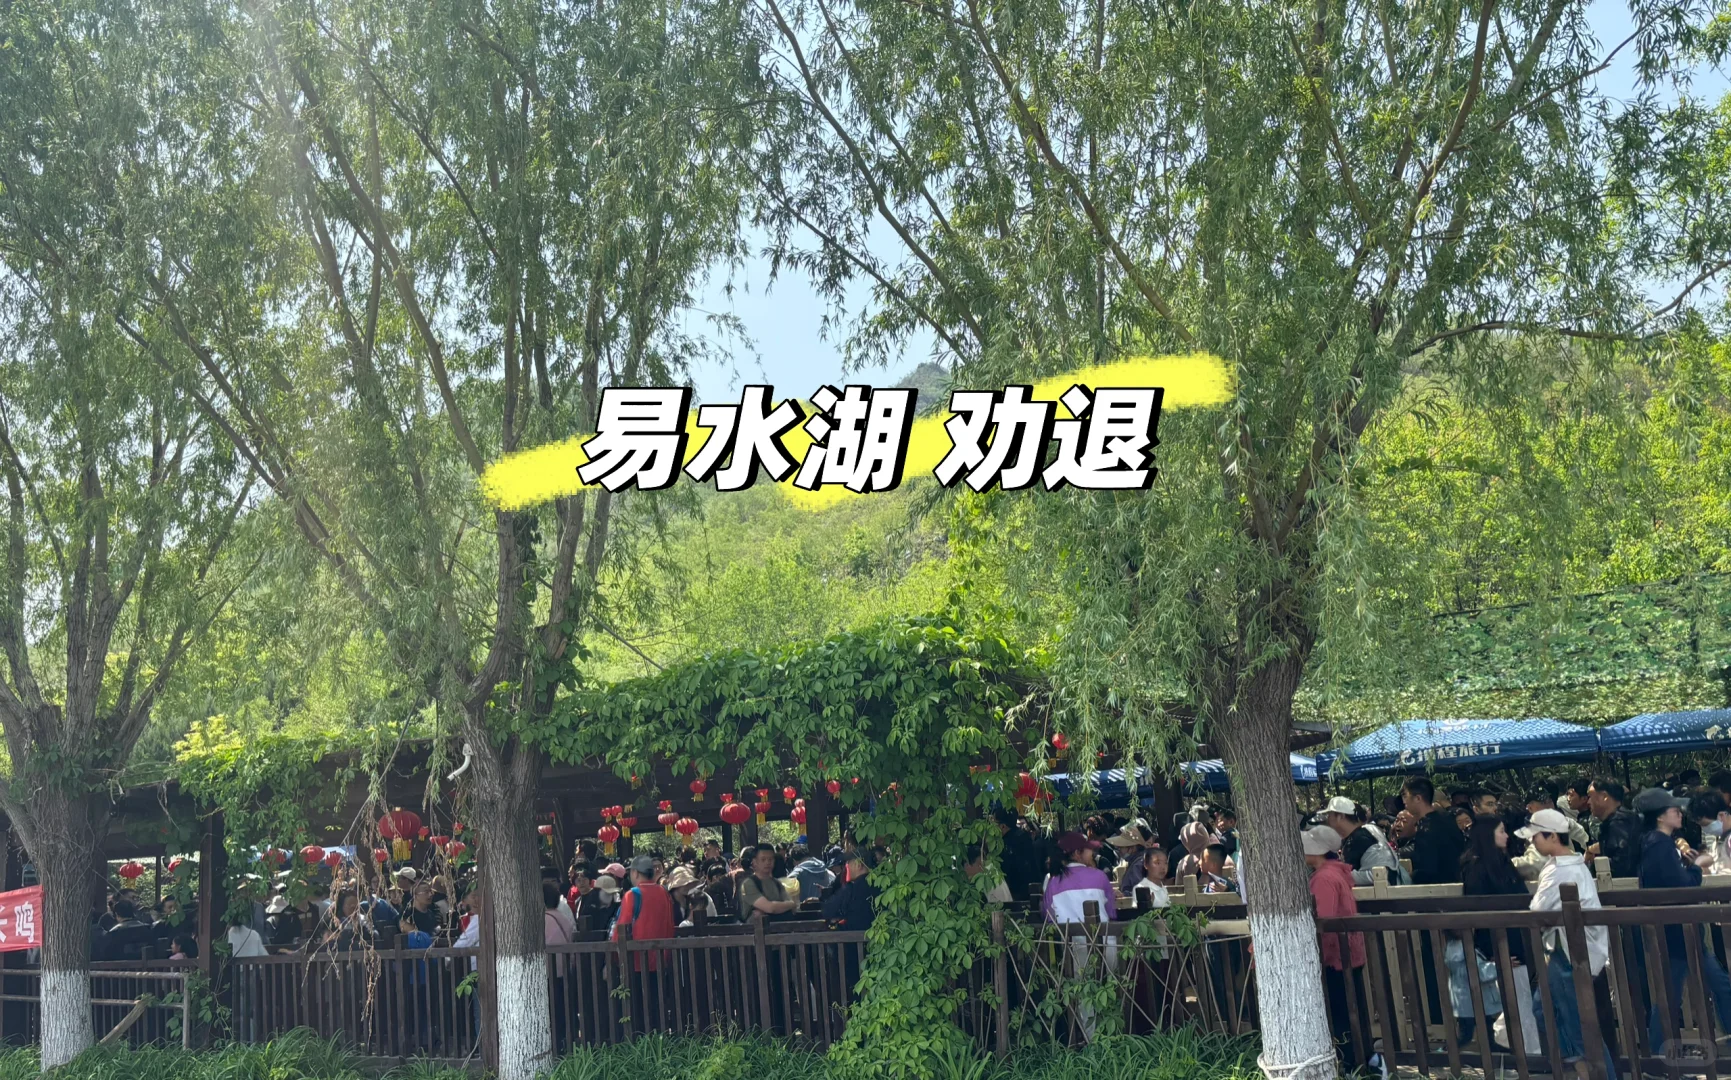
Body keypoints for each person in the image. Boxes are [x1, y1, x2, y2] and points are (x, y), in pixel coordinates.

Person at [1633, 786, 1731, 1055]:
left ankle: (1658, 1053)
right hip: (1679, 930)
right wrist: (1697, 868)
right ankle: (1657, 1054)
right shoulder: (1659, 844)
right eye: (1673, 809)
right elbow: (1681, 887)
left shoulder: (1654, 842)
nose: (1679, 812)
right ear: (1660, 816)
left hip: (1678, 929)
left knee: (1698, 989)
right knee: (1672, 995)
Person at [1519, 808, 1615, 1080]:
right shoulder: (1570, 863)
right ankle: (1581, 1068)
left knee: (1577, 1024)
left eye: (1536, 836)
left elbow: (1538, 911)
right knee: (1547, 1011)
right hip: (1569, 948)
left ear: (1552, 836)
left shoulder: (1561, 869)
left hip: (1569, 952)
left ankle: (1599, 1074)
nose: (1532, 841)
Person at [1458, 815, 1537, 1049]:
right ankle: (1525, 1052)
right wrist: (1494, 953)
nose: (1506, 836)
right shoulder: (1475, 866)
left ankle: (1526, 1050)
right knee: (1512, 1003)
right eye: (1501, 831)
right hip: (1496, 945)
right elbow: (1480, 912)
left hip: (1515, 940)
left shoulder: (1502, 861)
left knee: (1521, 1001)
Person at [1302, 825, 1367, 1071]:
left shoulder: (1324, 878)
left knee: (1341, 1014)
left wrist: (1319, 958)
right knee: (1351, 1011)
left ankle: (1349, 1064)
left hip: (1335, 958)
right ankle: (1360, 1061)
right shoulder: (1335, 872)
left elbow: (1325, 921)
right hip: (1348, 954)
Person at [1325, 796, 1403, 885]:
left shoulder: (1360, 838)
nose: (1327, 819)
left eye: (1329, 815)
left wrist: (1337, 875)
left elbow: (1376, 876)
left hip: (1387, 890)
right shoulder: (1365, 831)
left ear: (1340, 816)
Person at [1404, 777, 1467, 885]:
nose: (1404, 801)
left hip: (1439, 889)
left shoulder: (1426, 828)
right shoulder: (1448, 819)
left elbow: (1427, 870)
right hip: (1458, 884)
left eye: (1406, 796)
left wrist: (1410, 876)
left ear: (1418, 798)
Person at [1586, 779, 1642, 879]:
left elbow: (1621, 865)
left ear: (1604, 796)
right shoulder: (1619, 821)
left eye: (1590, 796)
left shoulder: (1620, 823)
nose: (1588, 802)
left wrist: (1595, 867)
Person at [740, 846, 799, 921]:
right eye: (763, 859)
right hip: (756, 928)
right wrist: (781, 907)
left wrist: (772, 908)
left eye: (770, 859)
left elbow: (792, 904)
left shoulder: (777, 883)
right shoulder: (749, 884)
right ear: (754, 862)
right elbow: (770, 908)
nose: (767, 862)